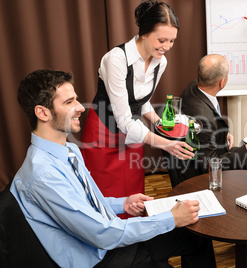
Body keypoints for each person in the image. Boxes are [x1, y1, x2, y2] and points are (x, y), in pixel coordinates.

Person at [11, 69, 216, 268]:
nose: (80, 107)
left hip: (108, 242)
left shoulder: (69, 149)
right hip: (99, 257)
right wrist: (171, 218)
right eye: (69, 102)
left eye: (76, 99)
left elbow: (85, 203)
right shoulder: (43, 175)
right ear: (42, 112)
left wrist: (122, 204)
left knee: (197, 236)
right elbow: (102, 234)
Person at [80, 0, 193, 211]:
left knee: (132, 191)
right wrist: (164, 143)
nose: (167, 47)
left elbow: (140, 101)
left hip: (133, 132)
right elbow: (123, 117)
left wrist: (161, 124)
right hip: (104, 132)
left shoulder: (162, 61)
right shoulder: (116, 59)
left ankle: (134, 238)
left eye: (172, 41)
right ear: (144, 33)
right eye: (162, 40)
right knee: (105, 194)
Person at [174, 54, 247, 185]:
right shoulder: (205, 120)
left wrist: (222, 133)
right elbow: (208, 165)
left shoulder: (192, 88)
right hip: (201, 176)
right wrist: (246, 150)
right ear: (222, 82)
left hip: (199, 154)